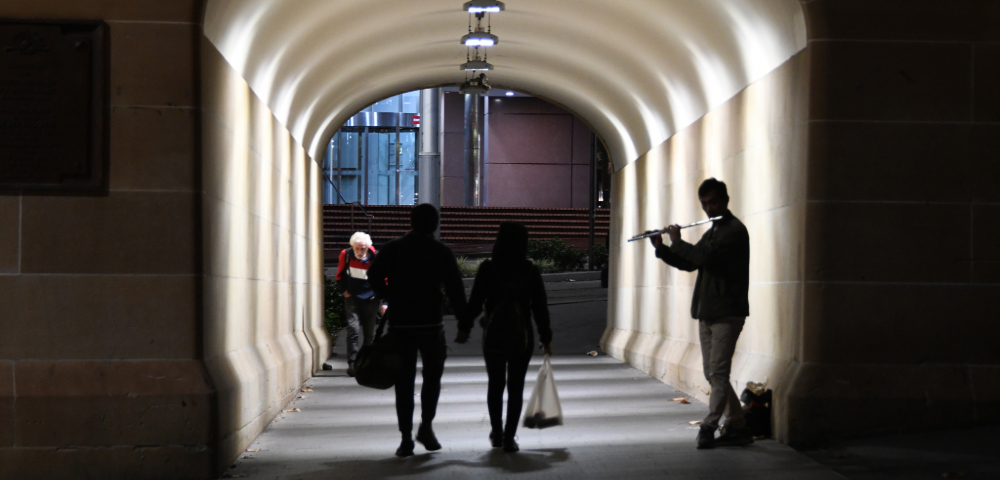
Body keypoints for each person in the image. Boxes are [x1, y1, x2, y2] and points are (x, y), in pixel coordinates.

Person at [646, 178, 752, 449]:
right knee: (712, 373)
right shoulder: (713, 231)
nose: (708, 208)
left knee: (718, 373)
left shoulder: (733, 231)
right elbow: (691, 263)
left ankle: (709, 425)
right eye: (704, 204)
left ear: (725, 201)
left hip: (728, 312)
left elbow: (702, 258)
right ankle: (738, 425)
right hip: (708, 312)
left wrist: (677, 240)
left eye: (713, 202)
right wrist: (662, 248)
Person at [367, 204, 469, 457]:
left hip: (401, 324)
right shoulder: (441, 251)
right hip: (431, 324)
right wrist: (464, 324)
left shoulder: (393, 248)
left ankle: (405, 439)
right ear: (435, 224)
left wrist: (389, 295)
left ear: (411, 222)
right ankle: (426, 427)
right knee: (432, 378)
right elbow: (455, 289)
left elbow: (374, 275)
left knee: (404, 381)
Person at [456, 222, 553, 453]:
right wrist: (546, 337)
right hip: (522, 335)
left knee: (496, 384)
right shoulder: (530, 269)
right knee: (516, 387)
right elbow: (540, 306)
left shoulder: (488, 268)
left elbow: (475, 301)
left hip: (494, 335)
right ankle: (509, 437)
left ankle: (497, 433)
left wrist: (465, 327)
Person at [333, 231, 386, 377]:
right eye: (357, 248)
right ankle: (352, 362)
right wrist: (345, 291)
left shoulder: (376, 257)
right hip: (353, 298)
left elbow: (386, 279)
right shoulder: (346, 254)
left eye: (363, 249)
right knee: (353, 329)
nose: (359, 251)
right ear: (352, 246)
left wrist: (385, 301)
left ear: (368, 247)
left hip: (371, 299)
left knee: (370, 333)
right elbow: (339, 276)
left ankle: (366, 362)